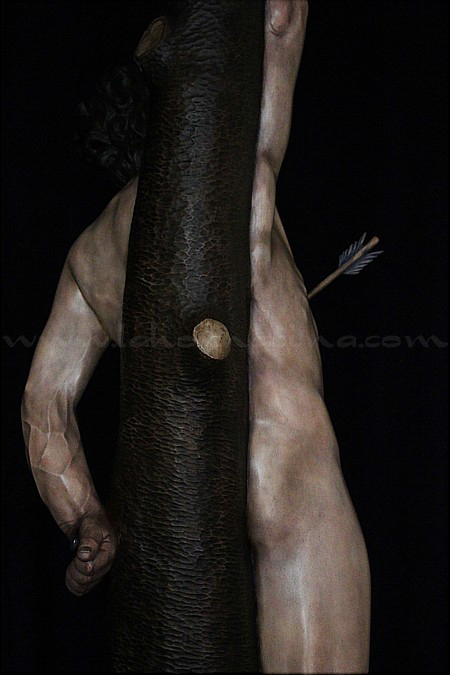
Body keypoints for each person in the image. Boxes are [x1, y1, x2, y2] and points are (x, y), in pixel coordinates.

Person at [21, 1, 370, 671]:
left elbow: (45, 403)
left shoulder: (91, 253)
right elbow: (280, 22)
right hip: (285, 473)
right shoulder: (239, 178)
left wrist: (85, 516)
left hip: (180, 527)